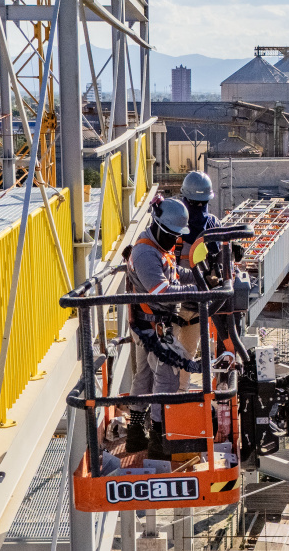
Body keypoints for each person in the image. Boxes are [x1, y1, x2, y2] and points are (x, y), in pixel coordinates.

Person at [124, 196, 210, 457]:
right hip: (151, 328)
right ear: (158, 225)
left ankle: (136, 435)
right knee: (168, 379)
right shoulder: (145, 253)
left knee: (146, 377)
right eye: (172, 235)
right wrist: (197, 290)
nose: (175, 241)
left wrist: (200, 276)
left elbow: (172, 273)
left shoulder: (158, 247)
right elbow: (162, 290)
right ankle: (160, 441)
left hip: (148, 325)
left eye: (177, 236)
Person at [173, 171, 221, 391]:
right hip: (173, 306)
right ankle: (165, 403)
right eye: (197, 203)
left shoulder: (212, 226)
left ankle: (177, 400)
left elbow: (219, 264)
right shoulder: (171, 225)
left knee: (185, 357)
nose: (199, 209)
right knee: (167, 358)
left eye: (202, 204)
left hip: (192, 306)